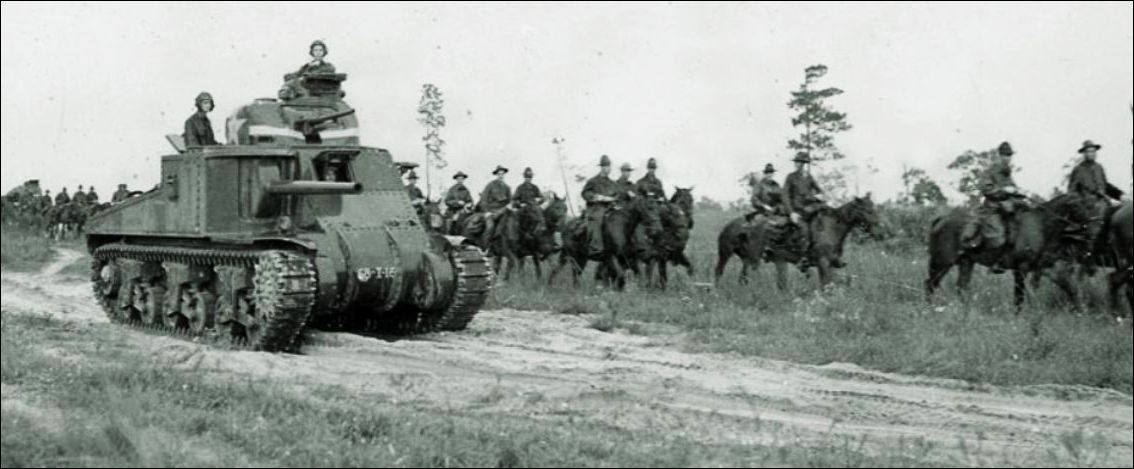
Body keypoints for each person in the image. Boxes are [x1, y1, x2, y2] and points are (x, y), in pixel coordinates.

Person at [963, 142, 1023, 269]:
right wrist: (1005, 191)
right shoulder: (990, 171)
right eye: (1005, 155)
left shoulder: (1007, 173)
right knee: (998, 237)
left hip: (1008, 209)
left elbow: (1013, 188)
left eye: (1009, 155)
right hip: (993, 209)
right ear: (999, 156)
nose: (1007, 158)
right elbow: (986, 189)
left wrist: (1017, 193)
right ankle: (994, 262)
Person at [582, 155, 618, 257]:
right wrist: (596, 197)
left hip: (610, 208)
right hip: (596, 208)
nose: (608, 168)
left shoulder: (612, 183)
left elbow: (616, 195)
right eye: (605, 166)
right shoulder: (593, 181)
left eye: (609, 166)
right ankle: (595, 247)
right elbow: (585, 193)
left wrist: (615, 201)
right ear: (601, 167)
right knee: (597, 218)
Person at [479, 166, 513, 247]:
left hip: (503, 211)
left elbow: (510, 200)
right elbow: (483, 199)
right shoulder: (490, 185)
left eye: (502, 174)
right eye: (499, 174)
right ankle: (485, 247)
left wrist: (510, 205)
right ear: (496, 175)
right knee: (490, 227)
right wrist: (486, 212)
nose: (501, 176)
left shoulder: (507, 187)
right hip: (492, 211)